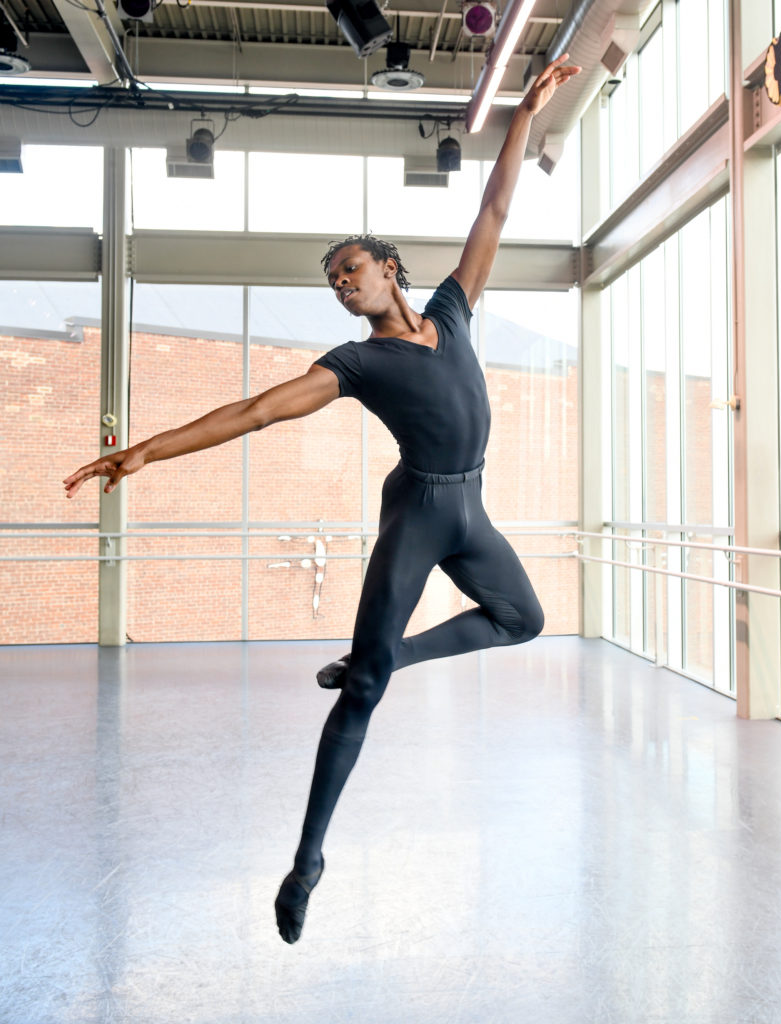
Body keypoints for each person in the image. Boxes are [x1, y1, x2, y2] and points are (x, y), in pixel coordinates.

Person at [64, 53, 580, 944]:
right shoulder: (354, 364)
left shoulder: (452, 312)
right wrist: (142, 451)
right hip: (420, 514)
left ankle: (381, 659)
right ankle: (306, 863)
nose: (341, 286)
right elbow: (259, 410)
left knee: (522, 618)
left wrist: (526, 112)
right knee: (363, 698)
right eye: (333, 282)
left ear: (390, 268)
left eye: (351, 271)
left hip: (474, 512)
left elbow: (494, 209)